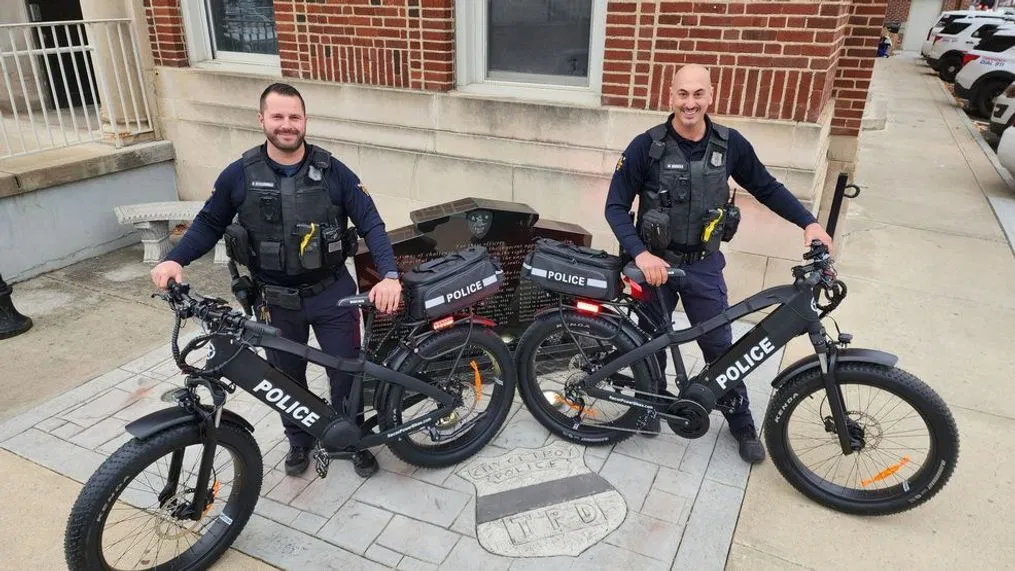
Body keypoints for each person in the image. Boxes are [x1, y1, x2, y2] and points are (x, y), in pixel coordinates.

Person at [150, 82, 403, 479]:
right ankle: (299, 442)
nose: (287, 125)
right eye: (278, 116)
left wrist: (389, 275)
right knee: (285, 379)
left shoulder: (333, 171)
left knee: (347, 372)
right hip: (276, 300)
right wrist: (174, 260)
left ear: (305, 121)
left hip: (333, 294)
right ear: (262, 119)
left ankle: (349, 438)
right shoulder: (239, 174)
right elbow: (209, 223)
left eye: (294, 117)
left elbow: (371, 222)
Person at [604, 64, 833, 464]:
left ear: (711, 95)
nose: (689, 103)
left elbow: (767, 187)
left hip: (703, 264)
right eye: (682, 94)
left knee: (720, 347)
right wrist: (641, 254)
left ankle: (740, 420)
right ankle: (650, 407)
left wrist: (809, 222)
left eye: (698, 94)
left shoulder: (731, 145)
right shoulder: (647, 146)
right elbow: (615, 207)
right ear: (670, 95)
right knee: (651, 340)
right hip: (653, 265)